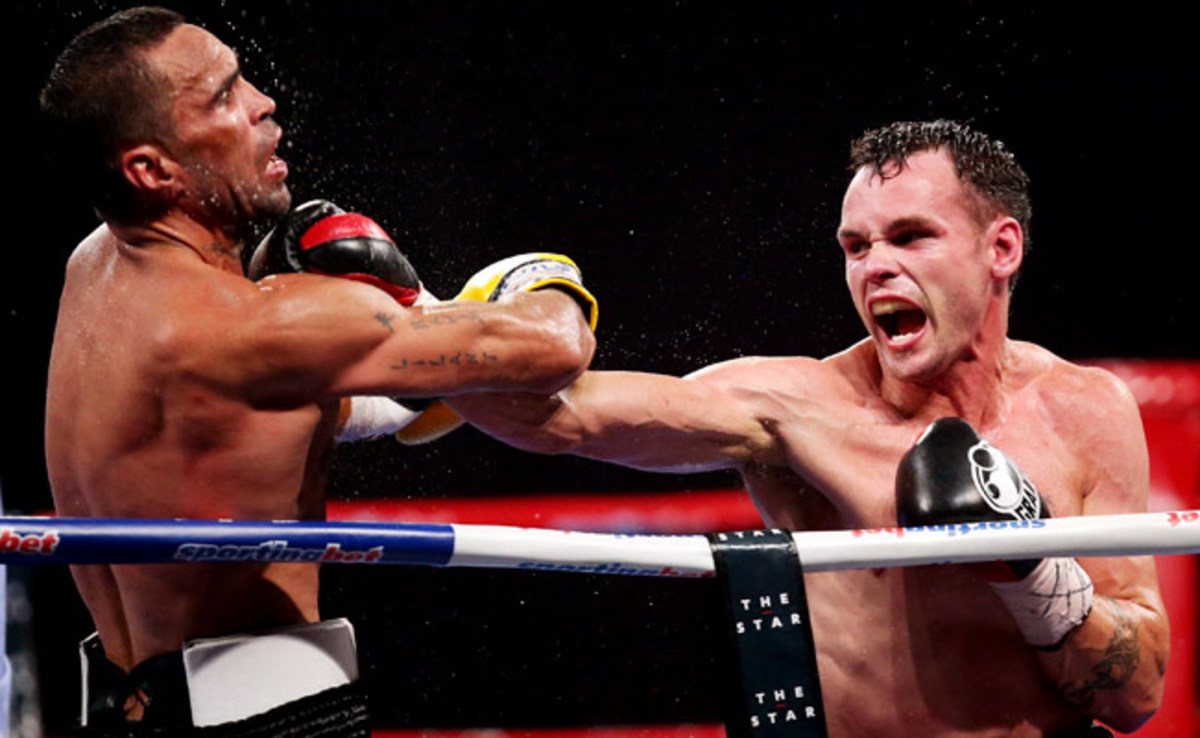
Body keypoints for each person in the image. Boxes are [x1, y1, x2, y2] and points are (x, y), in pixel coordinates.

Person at [447, 120, 1169, 736]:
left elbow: (1136, 698)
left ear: (1000, 250)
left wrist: (1036, 576)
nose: (876, 267)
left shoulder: (1088, 410)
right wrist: (425, 340)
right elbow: (564, 419)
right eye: (856, 247)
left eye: (911, 237)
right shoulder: (796, 408)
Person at [40, 7, 594, 735]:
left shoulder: (94, 266)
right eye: (223, 97)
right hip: (262, 717)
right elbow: (555, 344)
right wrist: (535, 278)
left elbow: (230, 432)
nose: (263, 104)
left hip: (125, 709)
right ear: (151, 170)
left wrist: (397, 373)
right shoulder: (249, 324)